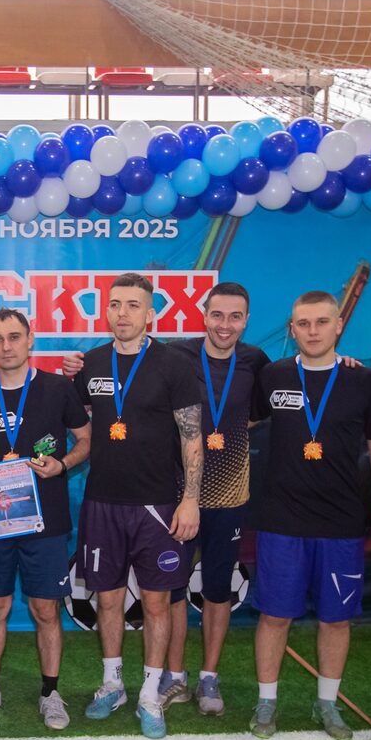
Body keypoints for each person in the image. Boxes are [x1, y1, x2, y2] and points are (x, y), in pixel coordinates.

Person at [249, 291, 371, 740]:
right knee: (275, 615)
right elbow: (241, 421)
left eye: (321, 322)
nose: (312, 331)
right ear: (292, 329)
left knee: (336, 619)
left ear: (338, 326)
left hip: (340, 522)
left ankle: (328, 703)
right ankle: (266, 701)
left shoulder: (363, 380)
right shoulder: (273, 376)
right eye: (303, 323)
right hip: (281, 519)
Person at [73, 272, 204, 739]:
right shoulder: (91, 363)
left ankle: (151, 692)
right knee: (107, 598)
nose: (122, 313)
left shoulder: (174, 364)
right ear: (105, 311)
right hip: (102, 502)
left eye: (133, 305)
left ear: (150, 314)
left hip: (158, 505)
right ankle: (113, 684)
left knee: (156, 602)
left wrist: (190, 500)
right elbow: (79, 426)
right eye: (114, 304)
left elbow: (192, 438)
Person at [0, 309, 91, 727]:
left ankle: (51, 692)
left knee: (46, 609)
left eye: (14, 337)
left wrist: (63, 464)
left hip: (45, 522)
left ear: (30, 339)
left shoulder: (57, 389)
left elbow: (86, 440)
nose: (7, 346)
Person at [164, 282, 271, 717]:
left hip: (230, 496)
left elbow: (266, 408)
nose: (225, 325)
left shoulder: (255, 361)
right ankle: (174, 675)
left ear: (246, 320)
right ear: (204, 315)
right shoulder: (177, 355)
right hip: (178, 495)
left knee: (217, 588)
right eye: (218, 315)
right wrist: (77, 364)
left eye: (235, 317)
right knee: (172, 589)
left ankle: (209, 675)